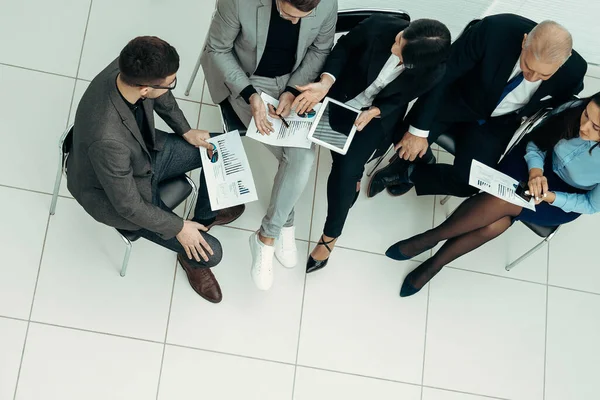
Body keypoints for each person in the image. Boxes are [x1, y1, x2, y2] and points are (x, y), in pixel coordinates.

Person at [67, 36, 245, 304]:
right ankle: (192, 256)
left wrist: (185, 130)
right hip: (120, 197)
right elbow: (128, 206)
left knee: (219, 147)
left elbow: (163, 97)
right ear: (145, 90)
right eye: (170, 82)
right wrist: (178, 227)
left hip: (144, 154)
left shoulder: (130, 64)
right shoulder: (107, 139)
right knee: (213, 253)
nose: (171, 86)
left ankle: (205, 219)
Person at [386, 94, 600, 297]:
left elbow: (590, 205)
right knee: (498, 220)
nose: (583, 127)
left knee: (501, 207)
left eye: (595, 127)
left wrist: (551, 197)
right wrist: (536, 171)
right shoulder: (574, 109)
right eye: (586, 115)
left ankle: (430, 240)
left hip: (563, 199)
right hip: (532, 164)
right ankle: (434, 263)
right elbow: (537, 141)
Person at [291, 15, 451, 273]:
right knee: (304, 136)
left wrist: (377, 110)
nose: (394, 44)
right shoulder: (380, 27)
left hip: (376, 116)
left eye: (399, 47)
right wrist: (326, 81)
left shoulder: (434, 70)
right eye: (400, 38)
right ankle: (353, 179)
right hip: (336, 93)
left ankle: (330, 237)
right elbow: (343, 47)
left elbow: (405, 97)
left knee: (345, 170)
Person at [367, 14, 587, 200]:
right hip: (459, 98)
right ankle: (406, 163)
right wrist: (418, 132)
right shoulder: (494, 31)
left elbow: (558, 108)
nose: (531, 78)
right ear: (524, 41)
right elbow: (442, 76)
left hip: (496, 123)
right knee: (402, 139)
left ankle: (414, 174)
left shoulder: (574, 71)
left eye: (544, 74)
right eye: (528, 67)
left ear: (564, 61)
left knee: (470, 184)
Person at [201, 0, 337, 290]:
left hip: (294, 79)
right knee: (300, 159)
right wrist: (250, 95)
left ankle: (266, 236)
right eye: (287, 13)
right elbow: (217, 49)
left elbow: (320, 50)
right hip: (246, 80)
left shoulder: (326, 3)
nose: (292, 22)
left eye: (302, 17)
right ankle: (281, 225)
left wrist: (291, 90)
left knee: (300, 158)